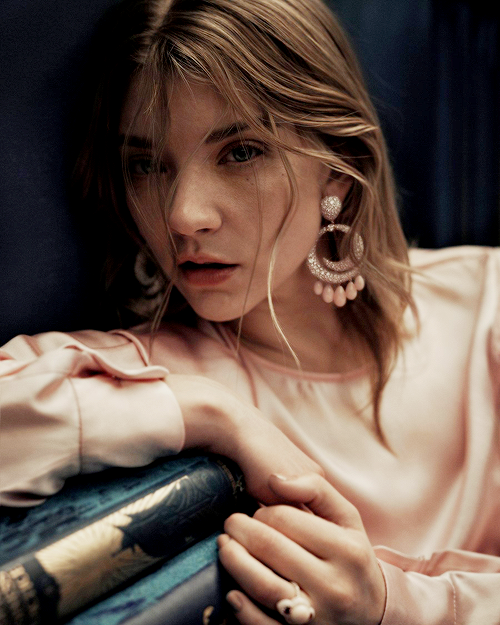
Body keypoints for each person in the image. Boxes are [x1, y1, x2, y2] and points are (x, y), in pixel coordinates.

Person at [1, 0, 499, 623]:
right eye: (146, 165)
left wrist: (391, 606)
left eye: (240, 152)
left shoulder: (486, 304)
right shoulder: (148, 370)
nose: (183, 215)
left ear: (338, 173)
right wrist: (212, 413)